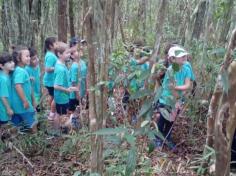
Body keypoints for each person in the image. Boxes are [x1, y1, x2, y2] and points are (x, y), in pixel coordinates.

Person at [154, 46, 192, 150]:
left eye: (184, 55)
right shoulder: (171, 70)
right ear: (172, 59)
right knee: (162, 120)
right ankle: (157, 138)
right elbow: (170, 88)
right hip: (166, 100)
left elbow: (187, 85)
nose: (184, 57)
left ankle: (167, 138)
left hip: (177, 101)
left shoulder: (187, 69)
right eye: (180, 56)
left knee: (171, 121)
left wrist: (177, 89)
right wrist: (176, 90)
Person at [11, 46, 37, 133]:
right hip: (23, 105)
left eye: (29, 56)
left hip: (16, 105)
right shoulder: (21, 71)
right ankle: (36, 140)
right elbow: (18, 85)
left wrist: (28, 79)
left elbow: (19, 82)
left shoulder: (17, 70)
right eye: (27, 56)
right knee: (33, 124)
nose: (29, 58)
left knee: (17, 127)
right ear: (18, 58)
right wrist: (25, 101)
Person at [54, 42, 78, 116]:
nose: (69, 55)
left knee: (59, 114)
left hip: (63, 97)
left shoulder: (61, 64)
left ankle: (57, 127)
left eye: (69, 53)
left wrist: (71, 88)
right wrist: (67, 90)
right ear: (59, 54)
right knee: (63, 116)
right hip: (62, 99)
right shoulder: (60, 69)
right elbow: (56, 86)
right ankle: (61, 127)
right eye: (67, 53)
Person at [43, 37, 57, 120]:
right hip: (51, 81)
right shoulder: (50, 56)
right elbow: (47, 69)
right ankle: (52, 114)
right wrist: (57, 68)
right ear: (51, 46)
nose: (57, 45)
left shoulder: (50, 54)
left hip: (50, 81)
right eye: (55, 43)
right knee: (55, 97)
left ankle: (51, 111)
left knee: (52, 96)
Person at [0, 52, 15, 126]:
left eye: (12, 61)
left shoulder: (8, 75)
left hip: (7, 107)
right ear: (2, 66)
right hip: (3, 109)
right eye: (9, 62)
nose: (12, 63)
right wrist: (8, 109)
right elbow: (3, 97)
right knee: (3, 126)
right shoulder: (2, 79)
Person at [25, 47, 41, 111]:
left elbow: (38, 77)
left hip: (37, 93)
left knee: (37, 110)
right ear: (29, 60)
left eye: (37, 57)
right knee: (33, 111)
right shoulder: (26, 69)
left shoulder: (37, 66)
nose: (37, 60)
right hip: (31, 96)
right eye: (34, 59)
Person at [68, 37, 80, 112]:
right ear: (72, 55)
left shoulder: (80, 64)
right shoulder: (74, 66)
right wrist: (77, 95)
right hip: (73, 95)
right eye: (76, 51)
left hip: (78, 93)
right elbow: (73, 82)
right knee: (72, 112)